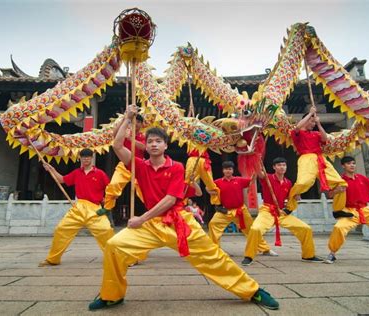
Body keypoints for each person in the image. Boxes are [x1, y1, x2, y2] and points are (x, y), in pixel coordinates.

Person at [88, 105, 279, 311]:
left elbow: (170, 199)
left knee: (212, 258)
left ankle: (253, 291)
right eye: (150, 141)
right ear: (146, 145)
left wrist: (141, 219)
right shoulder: (139, 166)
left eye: (158, 141)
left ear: (165, 146)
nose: (153, 144)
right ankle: (112, 295)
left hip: (179, 222)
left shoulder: (177, 167)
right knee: (114, 246)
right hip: (152, 225)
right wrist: (127, 117)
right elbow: (117, 146)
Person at [38, 148, 114, 267]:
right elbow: (62, 180)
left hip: (94, 208)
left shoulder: (100, 174)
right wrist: (51, 169)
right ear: (80, 158)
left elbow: (111, 190)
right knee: (61, 229)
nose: (86, 159)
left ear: (92, 158)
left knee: (106, 230)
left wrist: (107, 206)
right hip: (78, 207)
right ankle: (53, 259)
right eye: (83, 156)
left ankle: (117, 258)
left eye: (88, 156)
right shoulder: (77, 173)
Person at [242, 157, 323, 266]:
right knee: (256, 229)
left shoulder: (288, 182)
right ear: (274, 167)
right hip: (267, 211)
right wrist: (255, 157)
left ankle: (308, 255)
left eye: (284, 165)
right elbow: (258, 172)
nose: (282, 167)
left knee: (305, 229)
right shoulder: (268, 177)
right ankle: (249, 256)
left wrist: (296, 195)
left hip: (281, 213)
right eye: (279, 165)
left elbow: (291, 197)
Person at [285, 105, 347, 213]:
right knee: (303, 183)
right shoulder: (297, 133)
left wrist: (318, 123)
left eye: (314, 122)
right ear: (305, 120)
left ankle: (338, 210)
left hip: (320, 159)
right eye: (311, 121)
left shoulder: (315, 133)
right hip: (306, 158)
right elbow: (297, 128)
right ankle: (291, 202)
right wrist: (310, 113)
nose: (313, 124)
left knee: (341, 183)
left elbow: (325, 138)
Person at [208, 161, 277, 256]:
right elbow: (208, 187)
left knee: (252, 230)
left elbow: (251, 181)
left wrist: (256, 172)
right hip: (224, 211)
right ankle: (215, 250)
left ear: (232, 170)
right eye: (226, 169)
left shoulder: (239, 180)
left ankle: (265, 249)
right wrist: (211, 192)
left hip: (240, 211)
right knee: (213, 224)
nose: (228, 171)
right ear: (223, 171)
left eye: (230, 169)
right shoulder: (218, 182)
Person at [104, 114, 146, 210]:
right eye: (134, 121)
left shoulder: (144, 136)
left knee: (145, 191)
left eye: (138, 122)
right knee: (113, 186)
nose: (136, 124)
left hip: (139, 166)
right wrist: (125, 118)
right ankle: (107, 209)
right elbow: (114, 136)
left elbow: (144, 147)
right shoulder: (124, 133)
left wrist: (130, 138)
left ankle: (155, 211)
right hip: (124, 165)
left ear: (142, 124)